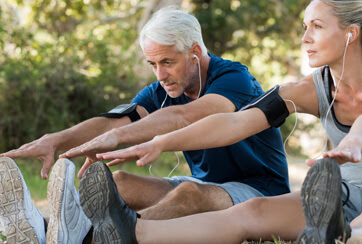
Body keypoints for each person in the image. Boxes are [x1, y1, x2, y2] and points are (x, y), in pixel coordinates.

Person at [81, 0, 362, 243]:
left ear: (351, 34)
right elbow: (235, 123)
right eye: (305, 26)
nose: (305, 37)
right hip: (343, 196)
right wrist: (162, 142)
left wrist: (352, 142)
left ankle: (341, 237)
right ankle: (135, 233)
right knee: (253, 210)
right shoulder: (308, 89)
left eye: (317, 27)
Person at [0, 8, 289, 243]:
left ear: (195, 52)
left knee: (188, 194)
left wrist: (118, 137)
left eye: (167, 62)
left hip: (261, 192)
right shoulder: (163, 90)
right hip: (208, 187)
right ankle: (43, 228)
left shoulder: (234, 78)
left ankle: (104, 238)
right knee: (120, 182)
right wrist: (56, 140)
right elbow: (114, 121)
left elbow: (186, 117)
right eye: (152, 64)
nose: (160, 74)